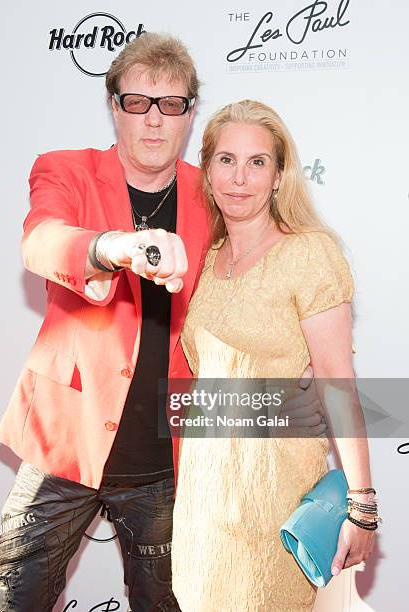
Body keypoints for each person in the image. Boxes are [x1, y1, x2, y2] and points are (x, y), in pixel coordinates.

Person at [0, 35, 323, 611]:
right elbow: (42, 241)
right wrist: (113, 246)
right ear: (113, 105)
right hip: (62, 447)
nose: (153, 119)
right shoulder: (65, 171)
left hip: (166, 464)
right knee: (15, 601)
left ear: (190, 114)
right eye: (137, 101)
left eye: (170, 105)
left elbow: (264, 272)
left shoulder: (213, 195)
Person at [171, 100, 378, 612]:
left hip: (273, 501)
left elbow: (336, 382)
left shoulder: (309, 253)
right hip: (202, 502)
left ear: (280, 175)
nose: (240, 178)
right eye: (226, 160)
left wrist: (363, 506)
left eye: (258, 162)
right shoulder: (208, 258)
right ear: (208, 170)